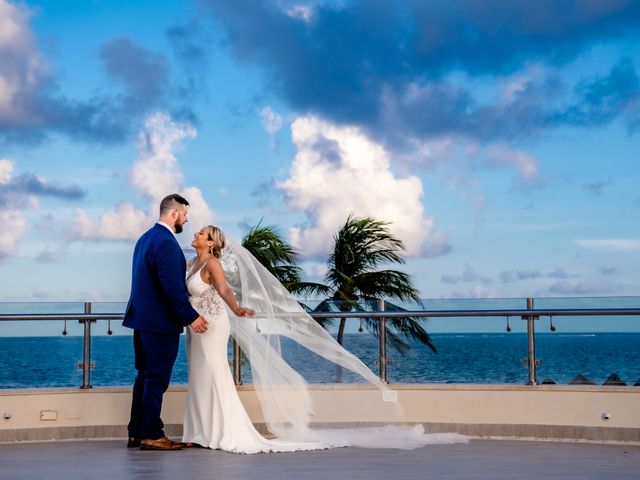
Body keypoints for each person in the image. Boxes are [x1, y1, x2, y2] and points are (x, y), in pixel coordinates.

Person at [182, 225, 468, 453]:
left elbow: (225, 290)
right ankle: (199, 432)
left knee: (215, 373)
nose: (196, 233)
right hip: (194, 326)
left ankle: (223, 432)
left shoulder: (213, 264)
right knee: (200, 375)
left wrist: (237, 309)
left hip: (213, 324)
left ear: (211, 242)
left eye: (201, 233)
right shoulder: (193, 261)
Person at [123, 193, 209, 451]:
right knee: (157, 380)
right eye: (185, 214)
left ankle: (137, 432)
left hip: (141, 320)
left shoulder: (145, 239)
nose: (187, 219)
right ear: (174, 214)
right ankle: (151, 434)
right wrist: (191, 317)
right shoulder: (167, 244)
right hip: (160, 324)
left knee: (144, 377)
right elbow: (171, 288)